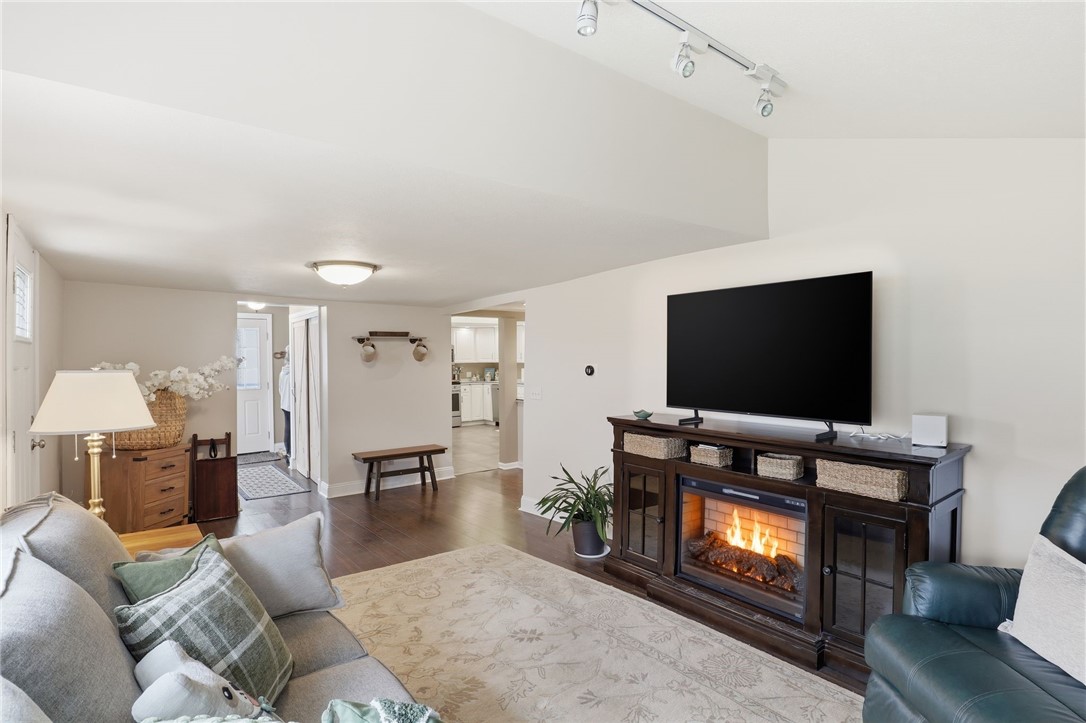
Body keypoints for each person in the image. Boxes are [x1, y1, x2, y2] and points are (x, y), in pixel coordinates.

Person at [279, 348, 292, 462]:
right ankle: (289, 453)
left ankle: (288, 453)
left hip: (284, 404)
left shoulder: (283, 372)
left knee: (288, 428)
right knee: (290, 429)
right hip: (290, 405)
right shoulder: (291, 373)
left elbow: (280, 389)